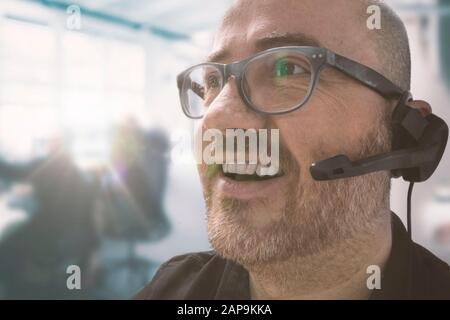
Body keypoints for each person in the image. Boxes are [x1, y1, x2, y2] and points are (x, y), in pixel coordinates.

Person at [135, 0, 450, 299]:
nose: (216, 116)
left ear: (401, 131)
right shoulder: (171, 287)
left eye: (289, 69)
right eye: (213, 82)